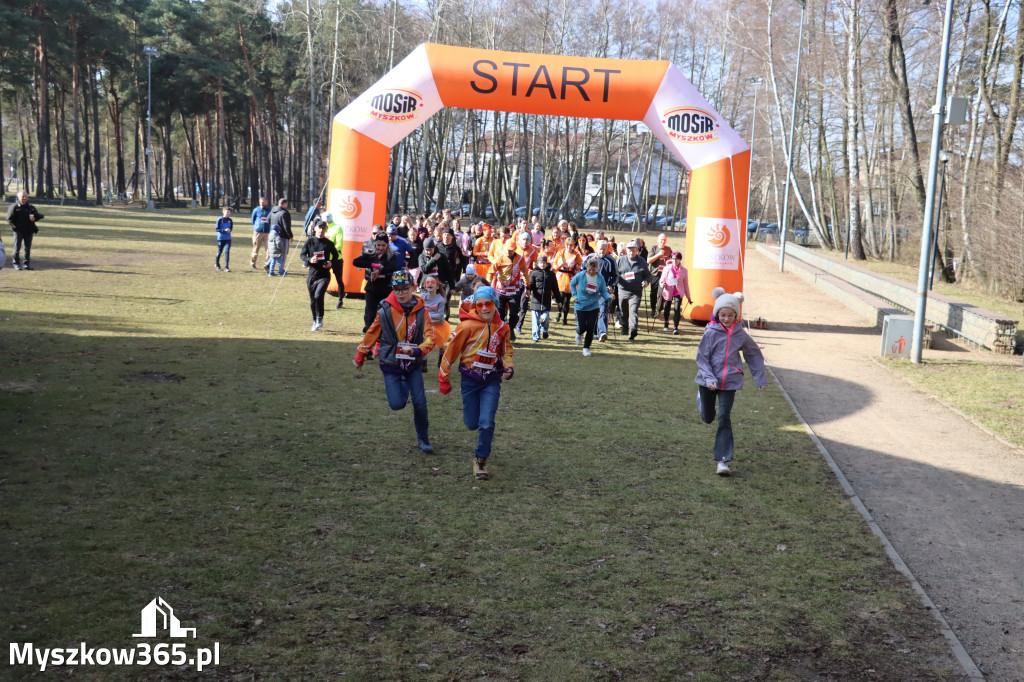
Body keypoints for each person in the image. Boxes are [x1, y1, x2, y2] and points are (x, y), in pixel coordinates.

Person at [353, 270, 438, 454]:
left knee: (420, 402)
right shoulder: (385, 309)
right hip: (391, 363)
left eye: (405, 289)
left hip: (413, 363)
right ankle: (403, 383)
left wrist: (417, 350)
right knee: (397, 404)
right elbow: (372, 332)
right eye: (397, 289)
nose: (401, 293)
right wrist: (361, 354)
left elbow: (431, 338)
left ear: (413, 288)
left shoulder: (422, 310)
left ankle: (423, 438)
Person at [439, 286, 515, 480]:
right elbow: (451, 351)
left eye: (488, 304)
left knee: (487, 422)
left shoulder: (503, 327)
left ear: (495, 304)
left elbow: (506, 351)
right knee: (472, 423)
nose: (484, 308)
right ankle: (476, 431)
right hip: (470, 381)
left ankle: (480, 459)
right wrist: (443, 376)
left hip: (491, 381)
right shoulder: (466, 326)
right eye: (479, 305)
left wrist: (508, 366)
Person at [695, 288, 767, 476]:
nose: (726, 318)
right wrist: (709, 379)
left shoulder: (741, 335)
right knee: (708, 417)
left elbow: (753, 355)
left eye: (730, 315)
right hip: (707, 381)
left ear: (736, 315)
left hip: (730, 382)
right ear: (718, 314)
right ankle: (701, 400)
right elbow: (702, 358)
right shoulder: (710, 332)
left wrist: (760, 379)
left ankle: (723, 460)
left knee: (724, 417)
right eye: (723, 315)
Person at [299, 220, 341, 331]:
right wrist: (309, 259)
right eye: (320, 228)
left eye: (324, 228)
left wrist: (331, 263)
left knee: (318, 296)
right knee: (313, 299)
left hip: (324, 276)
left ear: (326, 229)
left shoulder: (329, 243)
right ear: (315, 229)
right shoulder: (310, 242)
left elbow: (336, 256)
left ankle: (320, 317)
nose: (321, 230)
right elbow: (302, 255)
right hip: (312, 275)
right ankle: (315, 320)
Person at [353, 233, 398, 333]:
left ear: (387, 245)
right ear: (375, 245)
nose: (380, 248)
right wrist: (374, 264)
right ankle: (369, 332)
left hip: (385, 289)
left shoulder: (392, 256)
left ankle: (382, 333)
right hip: (372, 289)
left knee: (384, 313)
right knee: (370, 313)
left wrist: (380, 271)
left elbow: (392, 268)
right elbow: (355, 262)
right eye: (378, 245)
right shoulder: (371, 255)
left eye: (383, 245)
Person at [488, 236, 529, 341]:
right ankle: (501, 332)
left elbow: (525, 273)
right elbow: (491, 271)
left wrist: (527, 286)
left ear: (515, 249)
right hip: (501, 290)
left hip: (515, 290)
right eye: (506, 249)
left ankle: (510, 329)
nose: (508, 252)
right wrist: (488, 282)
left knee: (515, 313)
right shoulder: (500, 258)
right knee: (500, 313)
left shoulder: (520, 259)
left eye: (510, 250)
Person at [569, 256, 611, 357]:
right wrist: (575, 295)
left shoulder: (600, 278)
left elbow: (603, 292)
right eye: (590, 269)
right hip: (580, 306)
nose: (591, 271)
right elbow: (572, 284)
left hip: (593, 306)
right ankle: (579, 333)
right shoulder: (581, 275)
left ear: (597, 269)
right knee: (582, 327)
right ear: (586, 267)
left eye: (594, 269)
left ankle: (586, 348)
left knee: (590, 327)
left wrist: (609, 296)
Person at [615, 240, 651, 340]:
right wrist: (615, 281)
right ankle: (625, 328)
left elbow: (648, 275)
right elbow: (615, 274)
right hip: (622, 290)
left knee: (633, 310)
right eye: (630, 250)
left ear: (637, 251)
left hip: (636, 291)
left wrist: (646, 281)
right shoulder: (620, 260)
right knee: (623, 310)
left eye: (634, 250)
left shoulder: (642, 262)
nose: (631, 252)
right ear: (626, 251)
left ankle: (633, 329)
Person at [526, 254, 561, 342]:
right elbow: (530, 285)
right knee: (535, 321)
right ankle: (535, 337)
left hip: (546, 301)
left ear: (547, 264)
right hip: (535, 301)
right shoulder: (534, 274)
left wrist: (559, 300)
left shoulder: (551, 274)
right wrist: (528, 291)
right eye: (541, 263)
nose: (542, 265)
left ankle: (544, 329)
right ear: (537, 263)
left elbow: (555, 288)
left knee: (545, 318)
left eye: (544, 263)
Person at [420, 274, 451, 369]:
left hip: (438, 325)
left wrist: (427, 315)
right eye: (427, 282)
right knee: (424, 343)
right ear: (425, 285)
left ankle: (441, 360)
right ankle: (423, 364)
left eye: (432, 282)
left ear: (437, 286)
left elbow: (440, 316)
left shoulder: (440, 300)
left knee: (441, 346)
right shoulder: (422, 297)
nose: (429, 284)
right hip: (426, 325)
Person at [6, 191, 43, 270]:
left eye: (25, 196)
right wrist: (15, 228)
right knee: (17, 248)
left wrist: (35, 218)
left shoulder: (31, 207)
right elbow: (9, 220)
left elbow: (39, 215)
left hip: (29, 231)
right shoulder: (14, 207)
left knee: (27, 249)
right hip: (18, 231)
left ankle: (26, 265)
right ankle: (16, 264)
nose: (24, 198)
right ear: (18, 197)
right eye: (22, 196)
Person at [659, 251, 692, 334]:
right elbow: (662, 279)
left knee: (677, 309)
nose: (674, 261)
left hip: (678, 291)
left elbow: (686, 284)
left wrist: (689, 297)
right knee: (667, 308)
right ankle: (666, 322)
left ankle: (675, 327)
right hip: (668, 290)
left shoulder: (684, 270)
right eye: (673, 259)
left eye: (676, 259)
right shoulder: (667, 268)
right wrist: (662, 283)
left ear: (680, 260)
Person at [553, 238, 581, 325]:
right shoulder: (560, 253)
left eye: (571, 245)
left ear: (573, 245)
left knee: (567, 300)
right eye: (567, 245)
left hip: (570, 277)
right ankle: (559, 312)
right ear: (565, 244)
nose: (569, 247)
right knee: (560, 296)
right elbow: (554, 264)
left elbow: (580, 266)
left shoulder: (576, 254)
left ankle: (565, 318)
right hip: (561, 276)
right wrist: (559, 265)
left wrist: (575, 266)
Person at [594, 240, 617, 342]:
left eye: (604, 249)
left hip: (604, 290)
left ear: (607, 249)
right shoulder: (592, 258)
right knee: (593, 311)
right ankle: (594, 331)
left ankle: (602, 332)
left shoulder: (611, 260)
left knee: (603, 310)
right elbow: (583, 272)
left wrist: (611, 285)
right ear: (596, 248)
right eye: (600, 249)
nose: (602, 251)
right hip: (591, 290)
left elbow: (616, 276)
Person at [647, 233, 673, 315]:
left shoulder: (668, 249)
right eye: (661, 239)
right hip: (655, 275)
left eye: (664, 239)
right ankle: (653, 309)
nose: (663, 241)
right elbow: (648, 261)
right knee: (653, 293)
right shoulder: (654, 248)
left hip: (664, 276)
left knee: (662, 293)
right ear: (658, 240)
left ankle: (659, 310)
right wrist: (658, 255)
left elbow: (672, 260)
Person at [323, 213, 345, 308]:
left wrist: (330, 251)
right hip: (325, 258)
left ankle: (340, 300)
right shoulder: (322, 228)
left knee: (339, 279)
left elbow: (339, 244)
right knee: (323, 280)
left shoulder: (337, 228)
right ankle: (320, 299)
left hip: (337, 259)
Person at [267, 198, 293, 276]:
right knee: (283, 253)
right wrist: (290, 236)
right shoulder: (284, 213)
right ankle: (281, 270)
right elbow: (286, 227)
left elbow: (268, 220)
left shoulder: (273, 210)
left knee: (273, 252)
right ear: (284, 204)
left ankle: (268, 265)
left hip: (272, 234)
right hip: (282, 236)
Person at [250, 197, 271, 270]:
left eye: (263, 202)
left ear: (266, 202)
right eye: (261, 202)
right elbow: (253, 220)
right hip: (258, 232)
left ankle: (267, 264)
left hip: (267, 233)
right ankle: (252, 263)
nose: (262, 203)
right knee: (256, 248)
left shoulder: (270, 210)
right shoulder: (256, 210)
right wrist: (257, 226)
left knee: (269, 249)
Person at [215, 206, 233, 271]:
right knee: (220, 251)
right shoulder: (220, 219)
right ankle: (217, 264)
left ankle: (226, 267)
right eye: (226, 212)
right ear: (223, 212)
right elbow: (217, 229)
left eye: (229, 212)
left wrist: (229, 230)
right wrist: (224, 230)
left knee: (227, 252)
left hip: (228, 238)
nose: (228, 213)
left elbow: (231, 228)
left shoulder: (230, 220)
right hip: (221, 238)